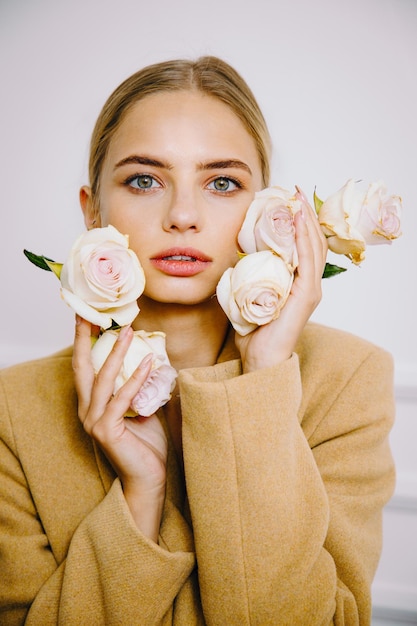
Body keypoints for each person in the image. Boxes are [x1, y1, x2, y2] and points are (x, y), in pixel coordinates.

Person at [0, 56, 395, 625]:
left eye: (222, 182)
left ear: (269, 210)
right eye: (144, 179)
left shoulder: (348, 380)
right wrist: (142, 494)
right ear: (93, 213)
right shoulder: (13, 411)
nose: (182, 215)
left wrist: (261, 385)